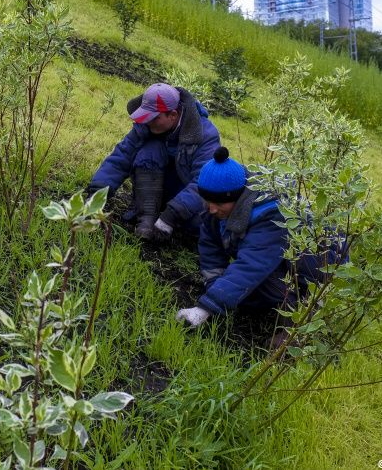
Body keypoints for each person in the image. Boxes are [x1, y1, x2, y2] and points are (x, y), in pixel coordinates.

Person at [176, 147, 342, 338]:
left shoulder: (272, 213)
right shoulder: (216, 205)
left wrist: (204, 309)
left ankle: (303, 310)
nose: (212, 209)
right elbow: (210, 250)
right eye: (207, 202)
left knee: (260, 286)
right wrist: (214, 290)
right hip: (279, 258)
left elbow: (252, 265)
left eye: (219, 204)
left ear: (237, 198)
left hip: (316, 268)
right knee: (243, 297)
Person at [87, 83, 220, 241]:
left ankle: (168, 221)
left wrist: (170, 216)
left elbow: (204, 181)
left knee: (196, 228)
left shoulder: (206, 135)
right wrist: (96, 193)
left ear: (173, 114)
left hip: (183, 196)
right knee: (149, 150)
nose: (148, 122)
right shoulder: (147, 126)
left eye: (154, 118)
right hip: (151, 190)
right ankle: (147, 218)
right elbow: (120, 158)